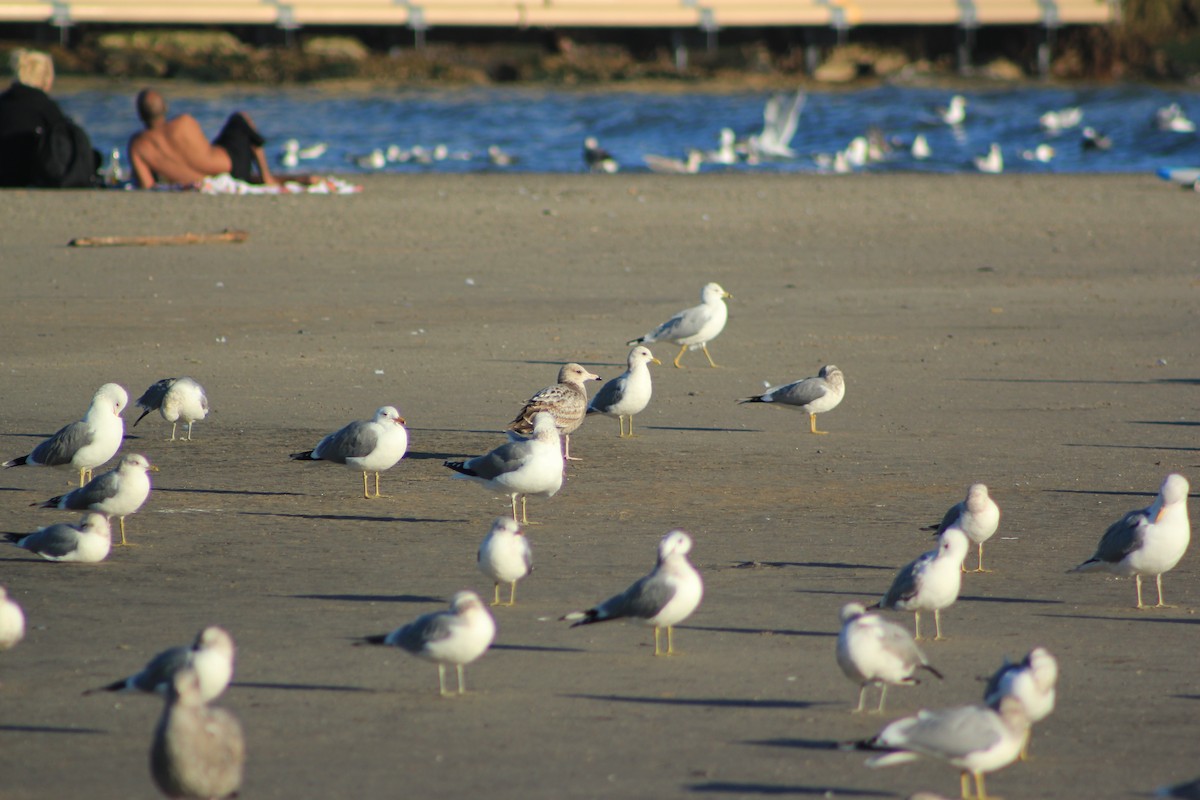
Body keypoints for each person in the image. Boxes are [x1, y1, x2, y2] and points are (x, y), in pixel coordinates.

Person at [128, 89, 278, 188]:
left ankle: (266, 178)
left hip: (197, 183)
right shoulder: (184, 122)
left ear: (140, 114)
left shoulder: (137, 146)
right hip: (233, 168)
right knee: (239, 119)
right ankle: (266, 177)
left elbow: (146, 184)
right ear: (165, 107)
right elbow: (204, 148)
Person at [0, 49, 72, 187]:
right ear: (46, 78)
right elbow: (63, 145)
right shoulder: (46, 106)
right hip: (33, 177)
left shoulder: (3, 101)